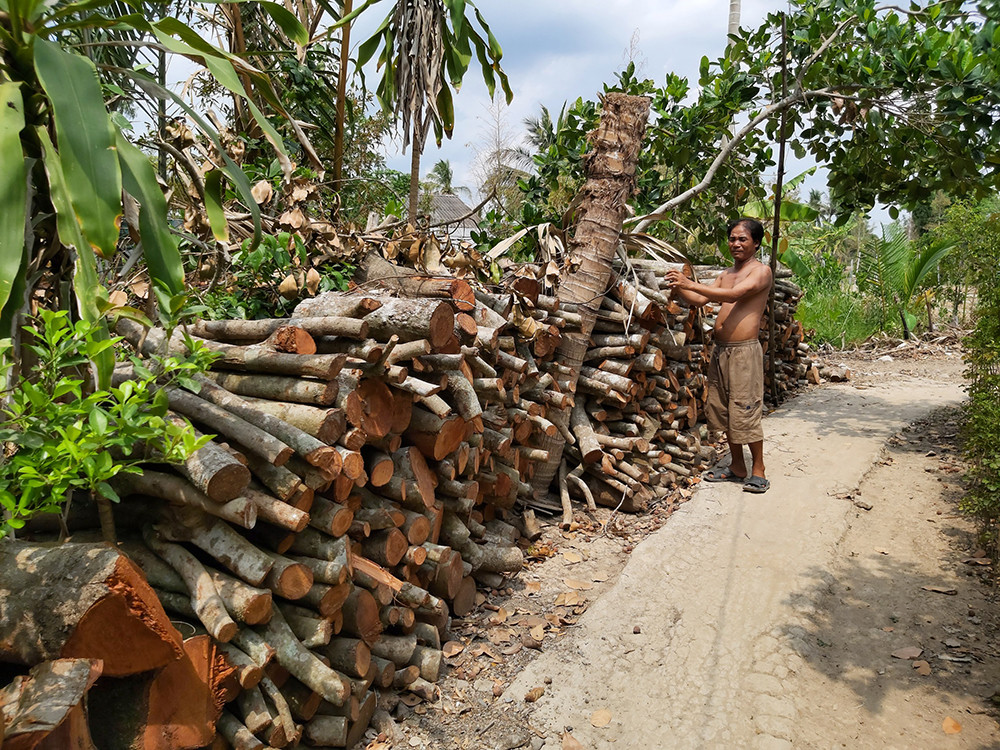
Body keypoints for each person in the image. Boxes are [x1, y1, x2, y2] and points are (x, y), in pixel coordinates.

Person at [664, 217, 772, 493]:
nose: (736, 244)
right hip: (722, 351)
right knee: (722, 410)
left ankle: (758, 469)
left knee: (745, 409)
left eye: (742, 239)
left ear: (756, 243)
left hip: (744, 352)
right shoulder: (725, 273)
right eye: (733, 238)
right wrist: (679, 289)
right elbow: (701, 300)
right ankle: (737, 466)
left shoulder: (760, 272)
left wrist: (688, 282)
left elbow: (734, 295)